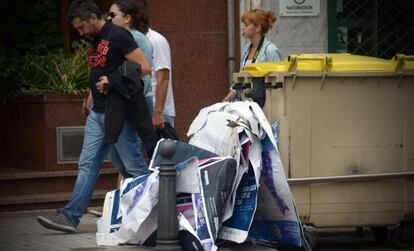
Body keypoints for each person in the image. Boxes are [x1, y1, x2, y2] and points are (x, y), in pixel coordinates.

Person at [36, 0, 151, 233]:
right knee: (88, 164)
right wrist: (90, 94)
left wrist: (113, 80)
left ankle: (160, 210)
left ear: (91, 17)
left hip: (118, 114)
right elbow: (100, 69)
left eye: (81, 27)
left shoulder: (118, 35)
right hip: (97, 113)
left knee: (134, 167)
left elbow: (144, 67)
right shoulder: (96, 39)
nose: (79, 33)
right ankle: (70, 216)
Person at [106, 0, 154, 178]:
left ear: (127, 18)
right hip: (115, 102)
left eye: (113, 15)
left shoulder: (139, 39)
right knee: (117, 158)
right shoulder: (112, 37)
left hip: (131, 103)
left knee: (132, 158)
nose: (108, 19)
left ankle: (147, 198)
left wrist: (115, 84)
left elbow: (144, 74)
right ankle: (136, 196)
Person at [223, 8, 282, 102]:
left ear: (257, 28)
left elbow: (278, 84)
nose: (243, 28)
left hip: (264, 108)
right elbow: (239, 82)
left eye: (246, 25)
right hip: (246, 105)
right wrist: (225, 101)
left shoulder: (270, 50)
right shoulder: (246, 49)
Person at [135, 0, 176, 129]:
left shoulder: (156, 40)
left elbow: (163, 78)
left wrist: (158, 113)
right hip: (139, 108)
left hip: (157, 111)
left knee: (160, 149)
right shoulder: (132, 41)